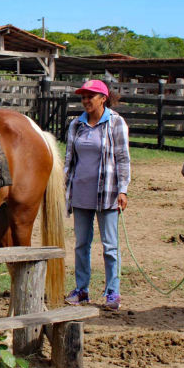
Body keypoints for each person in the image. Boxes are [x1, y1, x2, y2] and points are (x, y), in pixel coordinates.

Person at [63, 79, 130, 311]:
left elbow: (123, 158)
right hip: (81, 193)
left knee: (110, 246)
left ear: (103, 98)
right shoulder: (76, 125)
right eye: (83, 97)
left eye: (90, 96)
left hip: (108, 193)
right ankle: (82, 289)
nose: (85, 100)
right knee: (81, 244)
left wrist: (123, 190)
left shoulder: (116, 123)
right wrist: (65, 187)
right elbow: (69, 160)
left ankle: (113, 291)